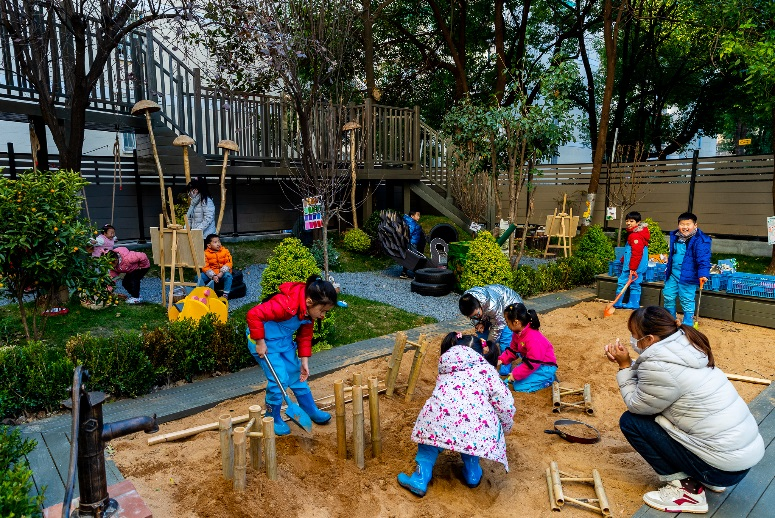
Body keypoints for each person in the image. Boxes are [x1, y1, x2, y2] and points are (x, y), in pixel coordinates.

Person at [604, 306, 764, 514]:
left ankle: (688, 492)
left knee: (631, 422)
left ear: (650, 339)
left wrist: (624, 366)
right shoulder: (687, 344)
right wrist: (630, 364)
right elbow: (663, 380)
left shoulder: (660, 366)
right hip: (739, 462)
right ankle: (704, 473)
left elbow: (637, 405)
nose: (633, 341)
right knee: (659, 414)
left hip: (720, 469)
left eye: (635, 336)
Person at [397, 332, 515, 497]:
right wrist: (506, 425)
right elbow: (504, 403)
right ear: (482, 353)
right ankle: (472, 473)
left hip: (435, 419)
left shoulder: (446, 365)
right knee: (470, 435)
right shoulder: (488, 372)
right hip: (474, 426)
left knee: (428, 444)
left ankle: (420, 477)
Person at [245, 275, 338, 436]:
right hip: (264, 342)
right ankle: (271, 416)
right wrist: (259, 342)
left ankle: (309, 409)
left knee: (296, 374)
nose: (323, 315)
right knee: (279, 379)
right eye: (322, 311)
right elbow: (254, 314)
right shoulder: (285, 304)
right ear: (309, 302)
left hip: (283, 342)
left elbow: (305, 337)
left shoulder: (308, 313)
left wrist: (304, 362)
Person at [663, 212, 711, 327]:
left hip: (689, 275)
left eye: (688, 224)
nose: (685, 227)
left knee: (686, 298)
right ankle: (671, 319)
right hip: (673, 273)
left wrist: (703, 274)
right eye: (682, 224)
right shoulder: (675, 237)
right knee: (668, 294)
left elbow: (703, 259)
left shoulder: (700, 240)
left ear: (695, 225)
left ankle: (688, 321)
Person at [497, 303, 558, 391]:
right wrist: (501, 359)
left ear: (516, 322)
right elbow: (513, 351)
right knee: (516, 379)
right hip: (532, 361)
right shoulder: (517, 333)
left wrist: (515, 374)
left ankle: (549, 379)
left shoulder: (532, 338)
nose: (507, 325)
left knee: (519, 387)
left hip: (544, 365)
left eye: (507, 322)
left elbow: (532, 363)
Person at [459, 284, 522, 352]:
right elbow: (475, 315)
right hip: (491, 312)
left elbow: (498, 326)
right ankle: (484, 351)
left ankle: (505, 360)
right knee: (480, 330)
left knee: (505, 338)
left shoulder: (492, 305)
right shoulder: (467, 302)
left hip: (511, 309)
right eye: (472, 317)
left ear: (480, 306)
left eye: (476, 315)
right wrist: (479, 322)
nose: (475, 318)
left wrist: (489, 343)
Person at [614, 211, 650, 309]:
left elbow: (637, 253)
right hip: (638, 265)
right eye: (627, 221)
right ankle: (634, 303)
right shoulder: (638, 233)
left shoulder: (635, 235)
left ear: (638, 222)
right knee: (635, 283)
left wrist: (632, 268)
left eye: (631, 221)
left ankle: (617, 302)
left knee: (622, 282)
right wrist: (623, 259)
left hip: (633, 266)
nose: (628, 223)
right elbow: (630, 250)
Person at [199, 234, 233, 298]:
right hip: (211, 273)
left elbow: (229, 263)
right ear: (209, 245)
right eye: (215, 242)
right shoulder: (205, 254)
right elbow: (205, 267)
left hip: (223, 272)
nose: (218, 244)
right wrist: (213, 276)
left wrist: (221, 272)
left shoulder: (225, 251)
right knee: (199, 277)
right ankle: (200, 292)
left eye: (219, 241)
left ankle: (225, 294)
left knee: (228, 276)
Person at [400, 209, 424, 279]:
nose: (419, 217)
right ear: (412, 216)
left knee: (408, 257)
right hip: (412, 243)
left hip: (412, 242)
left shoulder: (411, 222)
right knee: (415, 257)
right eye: (417, 215)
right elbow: (409, 233)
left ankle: (404, 272)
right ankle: (416, 273)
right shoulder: (412, 224)